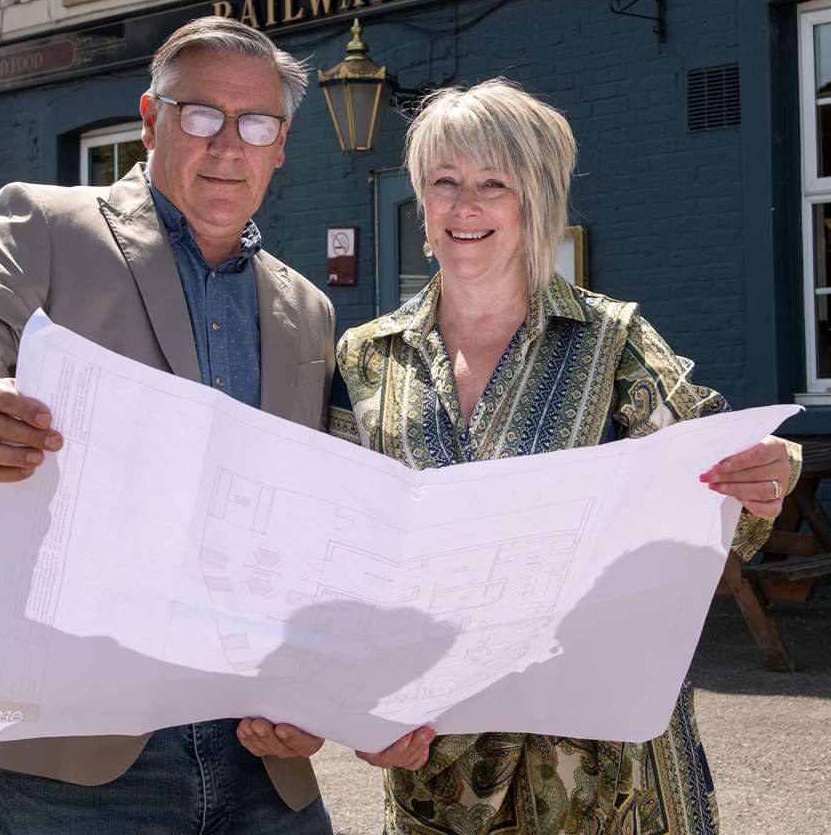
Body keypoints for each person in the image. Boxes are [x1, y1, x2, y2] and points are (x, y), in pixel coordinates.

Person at [0, 17, 337, 834]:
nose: (227, 144)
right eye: (200, 114)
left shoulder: (307, 310)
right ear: (150, 117)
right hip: (65, 740)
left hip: (255, 739)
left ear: (281, 144)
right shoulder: (49, 225)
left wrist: (317, 686)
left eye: (256, 123)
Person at [329, 79, 802, 834]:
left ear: (536, 200)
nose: (465, 207)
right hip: (439, 764)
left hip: (603, 763)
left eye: (493, 184)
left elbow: (718, 487)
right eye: (444, 183)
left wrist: (761, 480)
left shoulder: (612, 341)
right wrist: (355, 706)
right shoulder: (366, 358)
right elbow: (339, 552)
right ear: (421, 202)